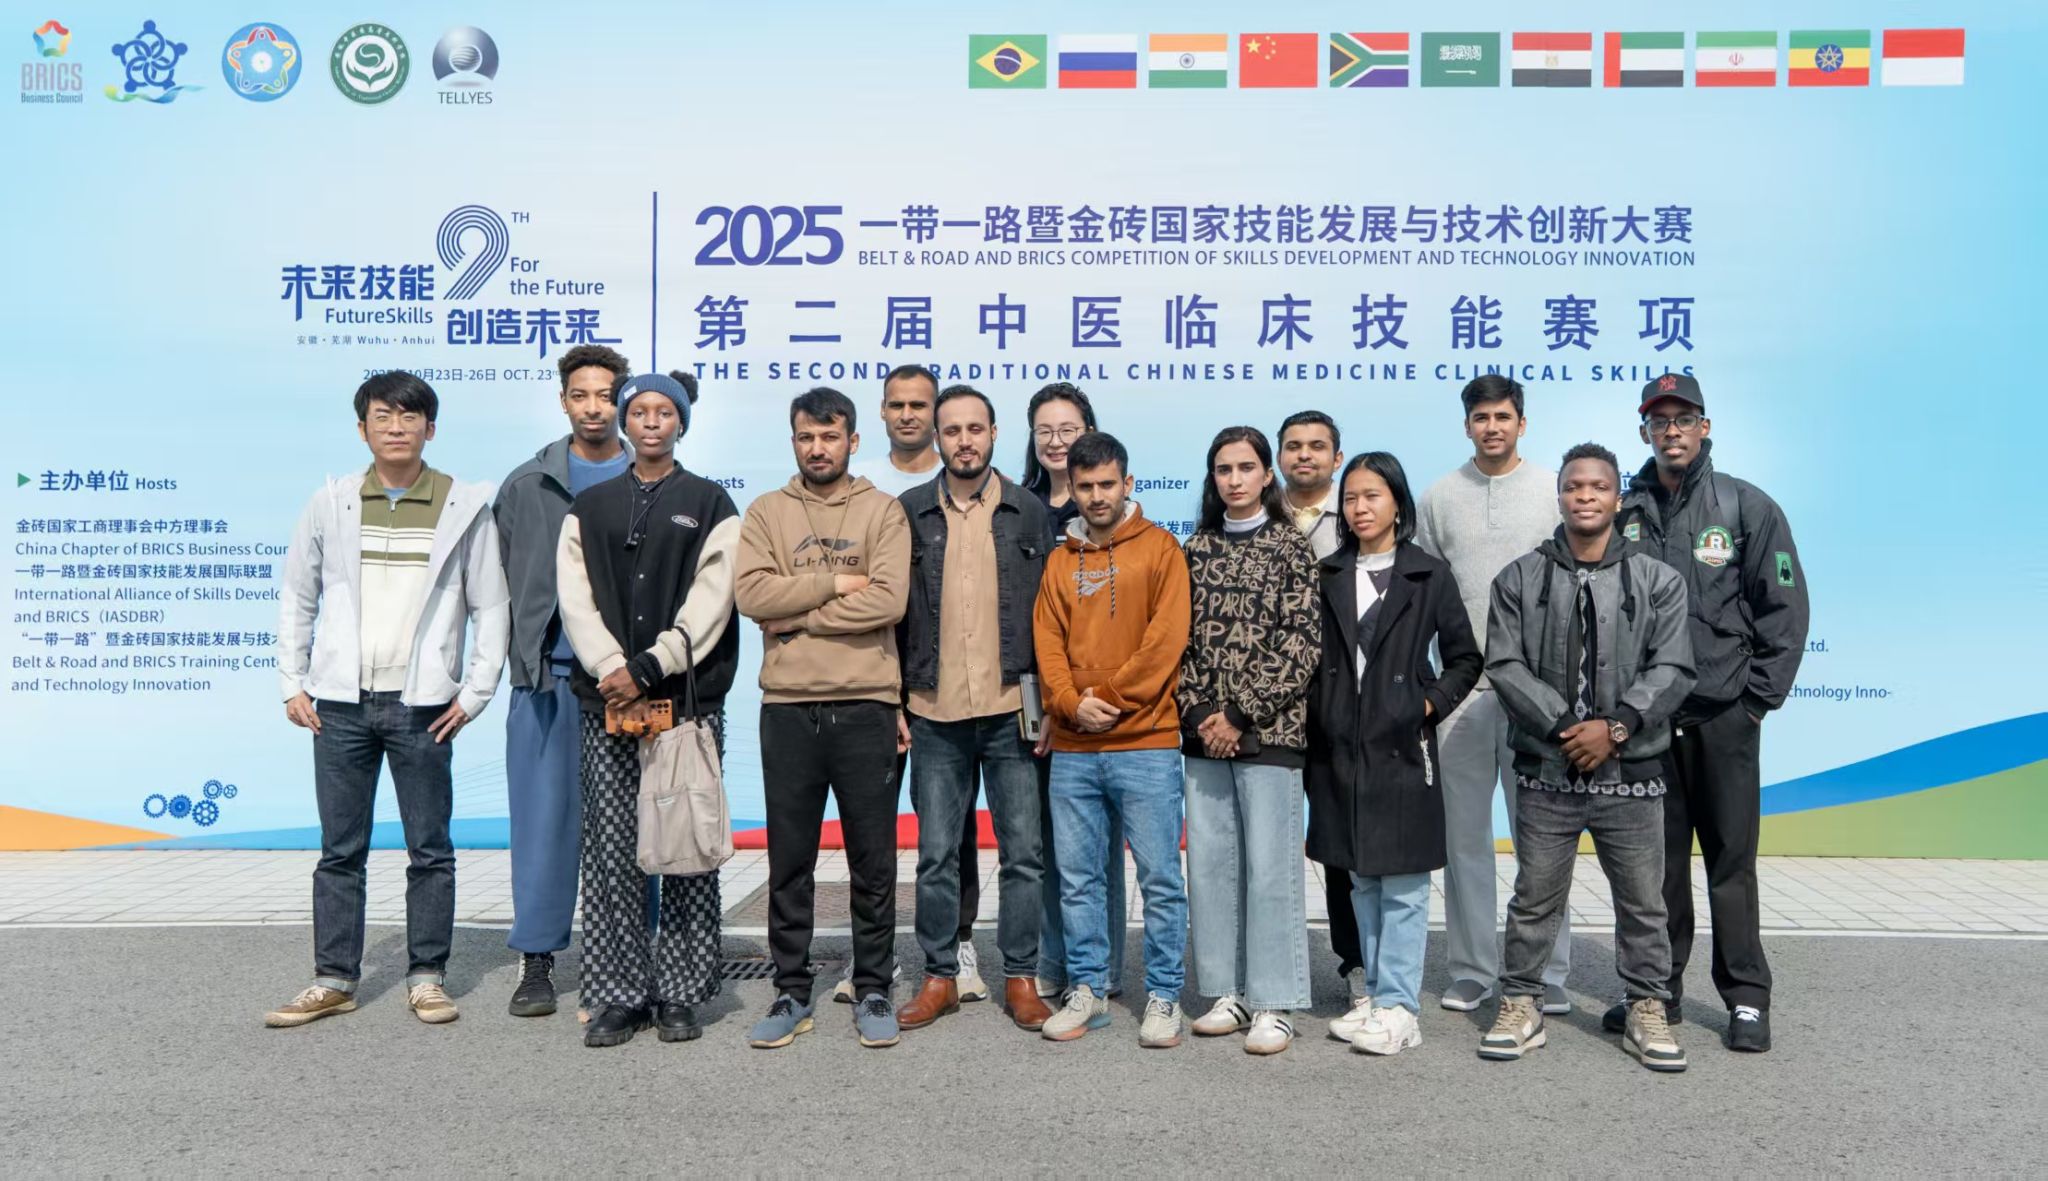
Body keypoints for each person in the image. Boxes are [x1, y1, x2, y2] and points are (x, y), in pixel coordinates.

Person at [267, 372, 508, 1028]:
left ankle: (427, 976)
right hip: (340, 703)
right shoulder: (332, 502)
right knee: (339, 849)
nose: (396, 427)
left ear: (431, 427)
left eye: (409, 416)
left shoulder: (464, 505)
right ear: (362, 428)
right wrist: (293, 681)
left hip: (423, 704)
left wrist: (475, 692)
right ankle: (333, 979)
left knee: (429, 847)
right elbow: (299, 595)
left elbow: (492, 606)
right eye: (382, 416)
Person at [1479, 442, 1696, 1072]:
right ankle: (1521, 1004)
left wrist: (1617, 728)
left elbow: (1673, 666)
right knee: (1534, 898)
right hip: (1547, 770)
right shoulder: (1518, 577)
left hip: (1632, 772)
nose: (1585, 497)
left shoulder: (1658, 579)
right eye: (1574, 486)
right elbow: (1505, 664)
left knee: (1643, 902)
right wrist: (1565, 728)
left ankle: (1647, 1007)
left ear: (1617, 498)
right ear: (1560, 496)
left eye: (1598, 487)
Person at [1611, 374, 1808, 1053]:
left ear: (1705, 426)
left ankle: (1746, 996)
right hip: (1648, 723)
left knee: (1730, 862)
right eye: (1658, 420)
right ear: (1644, 430)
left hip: (1724, 717)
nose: (1671, 430)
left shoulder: (1745, 506)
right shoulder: (1624, 512)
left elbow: (1785, 609)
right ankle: (1655, 991)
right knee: (1657, 867)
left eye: (1683, 418)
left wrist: (1754, 703)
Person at [553, 371, 739, 1047]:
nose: (652, 421)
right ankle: (618, 995)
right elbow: (575, 597)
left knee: (686, 844)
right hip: (605, 701)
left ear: (682, 422)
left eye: (665, 411)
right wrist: (612, 667)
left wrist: (651, 665)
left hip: (684, 703)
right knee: (610, 854)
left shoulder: (711, 503)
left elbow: (714, 598)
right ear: (625, 421)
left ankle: (681, 992)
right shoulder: (589, 505)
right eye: (641, 411)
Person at [735, 387, 911, 1050]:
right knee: (790, 859)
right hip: (788, 708)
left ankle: (873, 986)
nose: (818, 448)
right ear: (793, 441)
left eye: (830, 436)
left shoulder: (882, 511)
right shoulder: (767, 511)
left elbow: (888, 600)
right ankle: (790, 988)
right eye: (807, 437)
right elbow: (752, 593)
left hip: (867, 704)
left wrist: (798, 617)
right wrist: (837, 583)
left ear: (853, 441)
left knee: (873, 860)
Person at [1307, 452, 1481, 1056]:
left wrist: (1425, 705)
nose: (1360, 508)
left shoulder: (1428, 575)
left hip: (1404, 746)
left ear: (1398, 504)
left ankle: (1401, 1008)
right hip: (1340, 746)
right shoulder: (1327, 573)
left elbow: (1465, 658)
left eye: (1372, 496)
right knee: (1360, 878)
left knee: (1403, 883)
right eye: (1351, 498)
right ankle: (1379, 996)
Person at [895, 385, 1053, 1033]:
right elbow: (892, 616)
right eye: (952, 430)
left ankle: (1021, 977)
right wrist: (895, 698)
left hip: (1013, 709)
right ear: (936, 438)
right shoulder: (907, 512)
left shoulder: (1029, 511)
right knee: (936, 855)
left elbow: (1052, 617)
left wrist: (1048, 705)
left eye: (975, 428)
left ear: (993, 434)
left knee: (1023, 854)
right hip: (933, 711)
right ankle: (940, 976)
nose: (964, 441)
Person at [1414, 376, 1574, 1017]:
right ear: (1467, 426)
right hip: (1463, 693)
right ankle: (1472, 969)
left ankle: (1547, 971)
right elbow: (1423, 592)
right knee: (1465, 843)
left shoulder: (1553, 492)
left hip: (1539, 699)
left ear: (1522, 424)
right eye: (1481, 418)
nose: (1492, 427)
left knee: (1544, 843)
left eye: (1503, 417)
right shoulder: (1439, 497)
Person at [1033, 432, 1192, 1047]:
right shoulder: (1059, 561)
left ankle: (1164, 995)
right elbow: (1047, 643)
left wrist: (1108, 700)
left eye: (1107, 484)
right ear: (1071, 489)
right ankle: (1089, 988)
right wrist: (1070, 703)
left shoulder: (1161, 550)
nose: (1097, 496)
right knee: (1078, 880)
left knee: (1159, 879)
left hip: (1147, 742)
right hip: (1075, 749)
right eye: (1086, 486)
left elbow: (1165, 642)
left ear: (1127, 483)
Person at [491, 343, 633, 1018]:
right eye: (581, 395)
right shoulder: (527, 485)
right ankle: (537, 959)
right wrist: (514, 663)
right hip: (546, 681)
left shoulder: (650, 476)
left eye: (606, 395)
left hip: (629, 685)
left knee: (633, 829)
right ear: (563, 401)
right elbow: (498, 584)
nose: (594, 407)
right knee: (542, 827)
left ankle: (632, 957)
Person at [830, 363, 975, 1007]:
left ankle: (960, 944)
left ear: (938, 418)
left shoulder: (962, 484)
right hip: (874, 680)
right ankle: (874, 956)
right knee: (873, 827)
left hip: (946, 686)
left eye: (920, 405)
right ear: (882, 413)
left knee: (953, 828)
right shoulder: (859, 487)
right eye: (898, 404)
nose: (909, 415)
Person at [1179, 426, 1321, 1055]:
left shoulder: (1291, 546)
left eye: (1245, 467)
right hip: (1203, 736)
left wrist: (1238, 714)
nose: (1234, 479)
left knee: (1269, 872)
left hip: (1270, 733)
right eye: (1223, 469)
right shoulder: (1196, 548)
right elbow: (1176, 641)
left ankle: (1274, 1001)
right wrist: (1202, 714)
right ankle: (1227, 993)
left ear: (1268, 475)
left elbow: (1301, 643)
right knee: (1211, 868)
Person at [1018, 382, 1125, 1000]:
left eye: (1069, 429)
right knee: (1047, 841)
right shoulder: (1018, 505)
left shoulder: (1109, 514)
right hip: (1040, 693)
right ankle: (1054, 961)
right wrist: (1051, 706)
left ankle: (1101, 969)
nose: (1057, 441)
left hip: (1101, 699)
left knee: (1095, 845)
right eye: (1045, 431)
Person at [1275, 408, 1362, 1006]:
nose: (1304, 455)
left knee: (1341, 844)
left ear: (1337, 457)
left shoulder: (1357, 517)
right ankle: (1269, 966)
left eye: (1316, 445)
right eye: (1293, 445)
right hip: (1270, 711)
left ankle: (1356, 964)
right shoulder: (1258, 514)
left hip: (1340, 707)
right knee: (1270, 846)